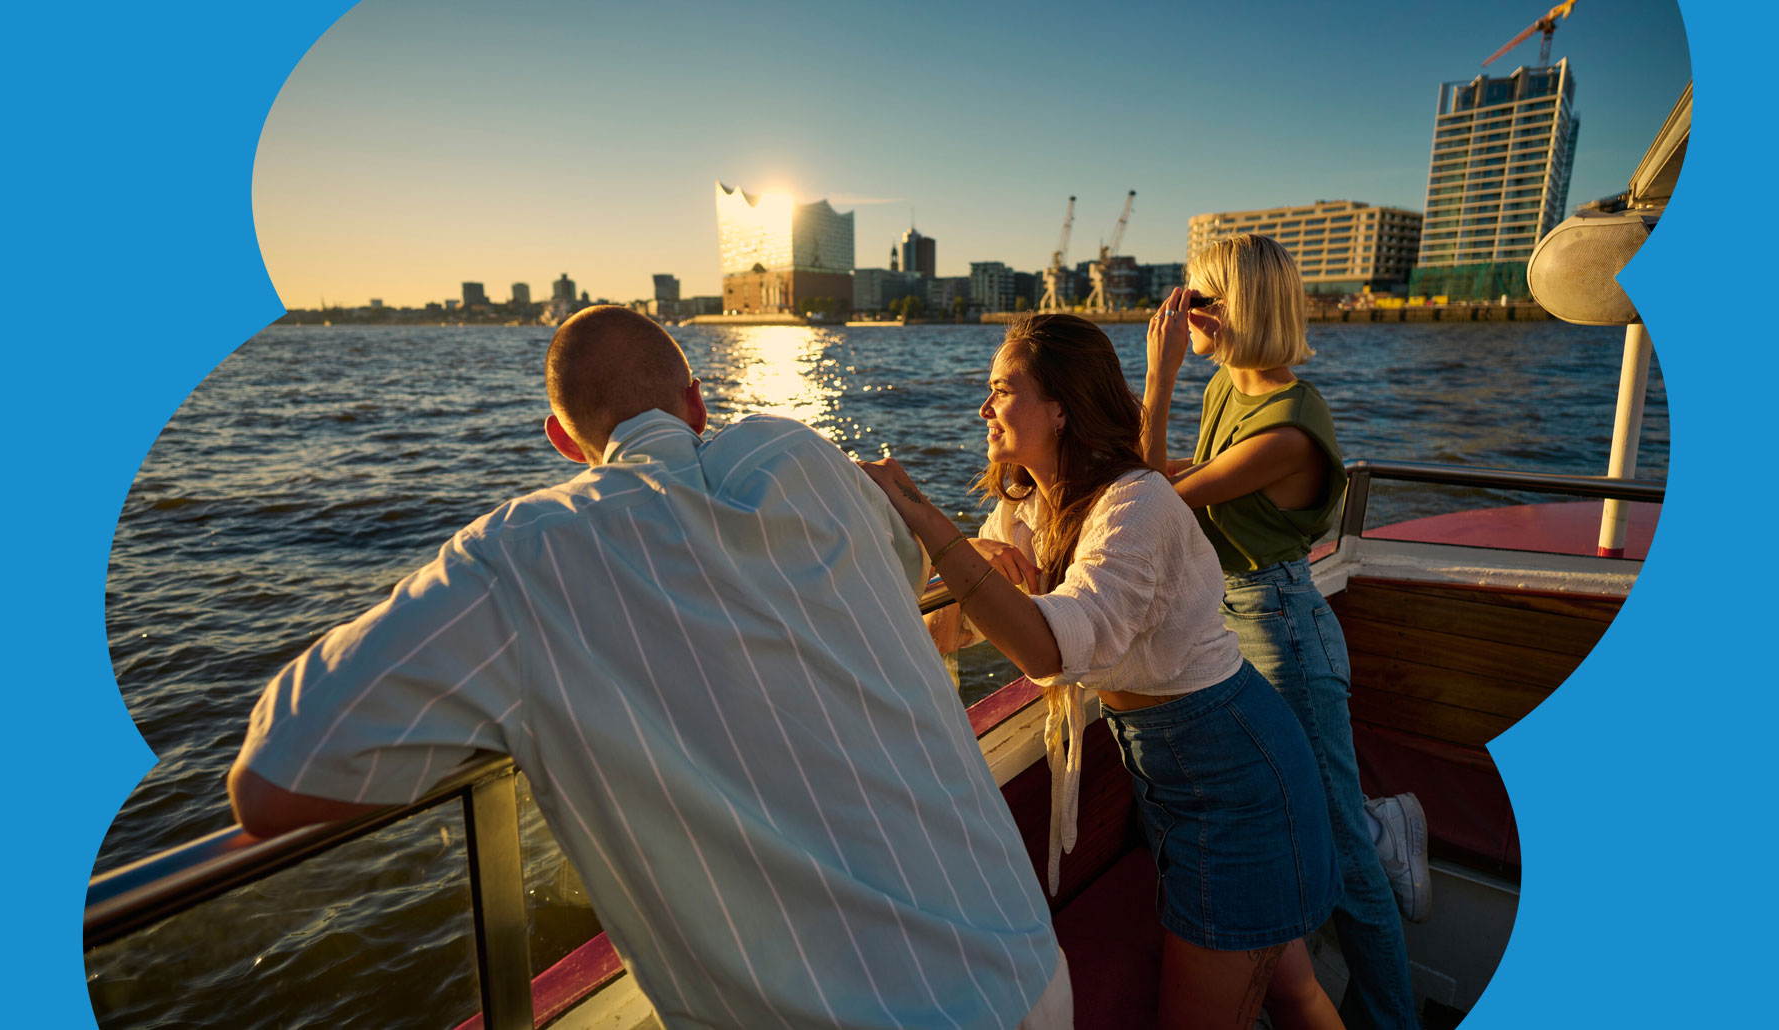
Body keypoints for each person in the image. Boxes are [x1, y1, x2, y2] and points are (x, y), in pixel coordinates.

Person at [228, 306, 1070, 1030]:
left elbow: (273, 779)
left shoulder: (523, 557)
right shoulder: (809, 460)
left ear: (563, 441)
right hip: (1028, 968)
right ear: (695, 401)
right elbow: (896, 584)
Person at [859, 313, 1343, 1030]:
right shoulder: (1030, 507)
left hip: (1239, 777)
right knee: (1290, 992)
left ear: (1060, 407)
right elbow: (952, 625)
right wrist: (934, 556)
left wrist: (926, 518)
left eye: (1001, 390)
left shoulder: (1136, 503)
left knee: (1276, 999)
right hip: (1179, 778)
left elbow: (1050, 649)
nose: (983, 409)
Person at [1141, 234, 1428, 1030]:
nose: (1187, 310)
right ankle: (1375, 829)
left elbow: (1153, 502)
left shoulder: (1290, 428)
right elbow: (1160, 483)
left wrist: (1158, 377)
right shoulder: (1227, 390)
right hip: (1226, 618)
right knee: (1278, 819)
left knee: (1340, 851)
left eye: (1204, 298)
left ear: (1244, 309)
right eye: (1187, 295)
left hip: (1279, 630)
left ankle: (1390, 1017)